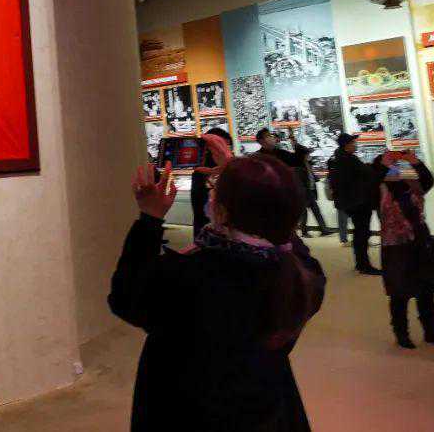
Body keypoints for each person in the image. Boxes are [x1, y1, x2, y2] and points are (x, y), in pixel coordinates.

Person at [110, 155, 325, 431]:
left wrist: (149, 218)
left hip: (187, 411)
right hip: (269, 410)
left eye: (214, 190)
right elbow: (282, 234)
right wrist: (254, 178)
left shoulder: (186, 276)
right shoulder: (304, 274)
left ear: (221, 212)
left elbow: (125, 298)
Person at [374, 150, 434, 349]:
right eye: (391, 165)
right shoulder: (378, 188)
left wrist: (415, 162)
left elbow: (427, 180)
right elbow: (369, 182)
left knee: (426, 288)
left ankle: (431, 332)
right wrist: (383, 165)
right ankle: (401, 334)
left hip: (420, 242)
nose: (395, 167)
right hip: (395, 246)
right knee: (399, 292)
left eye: (396, 164)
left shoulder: (411, 185)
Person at [257, 127, 331, 237]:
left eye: (270, 135)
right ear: (261, 141)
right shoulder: (258, 158)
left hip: (282, 197)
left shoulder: (280, 153)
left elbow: (297, 159)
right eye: (268, 136)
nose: (271, 138)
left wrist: (293, 140)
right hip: (268, 198)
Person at [327, 133, 381, 275]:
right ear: (346, 145)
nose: (355, 145)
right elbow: (367, 174)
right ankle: (363, 264)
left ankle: (361, 263)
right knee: (362, 233)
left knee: (359, 233)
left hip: (352, 202)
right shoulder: (349, 160)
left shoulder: (339, 159)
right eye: (353, 142)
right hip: (358, 202)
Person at [189, 127, 234, 236]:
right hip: (211, 233)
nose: (226, 151)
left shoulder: (230, 169)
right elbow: (203, 208)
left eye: (227, 146)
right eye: (221, 147)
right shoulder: (202, 171)